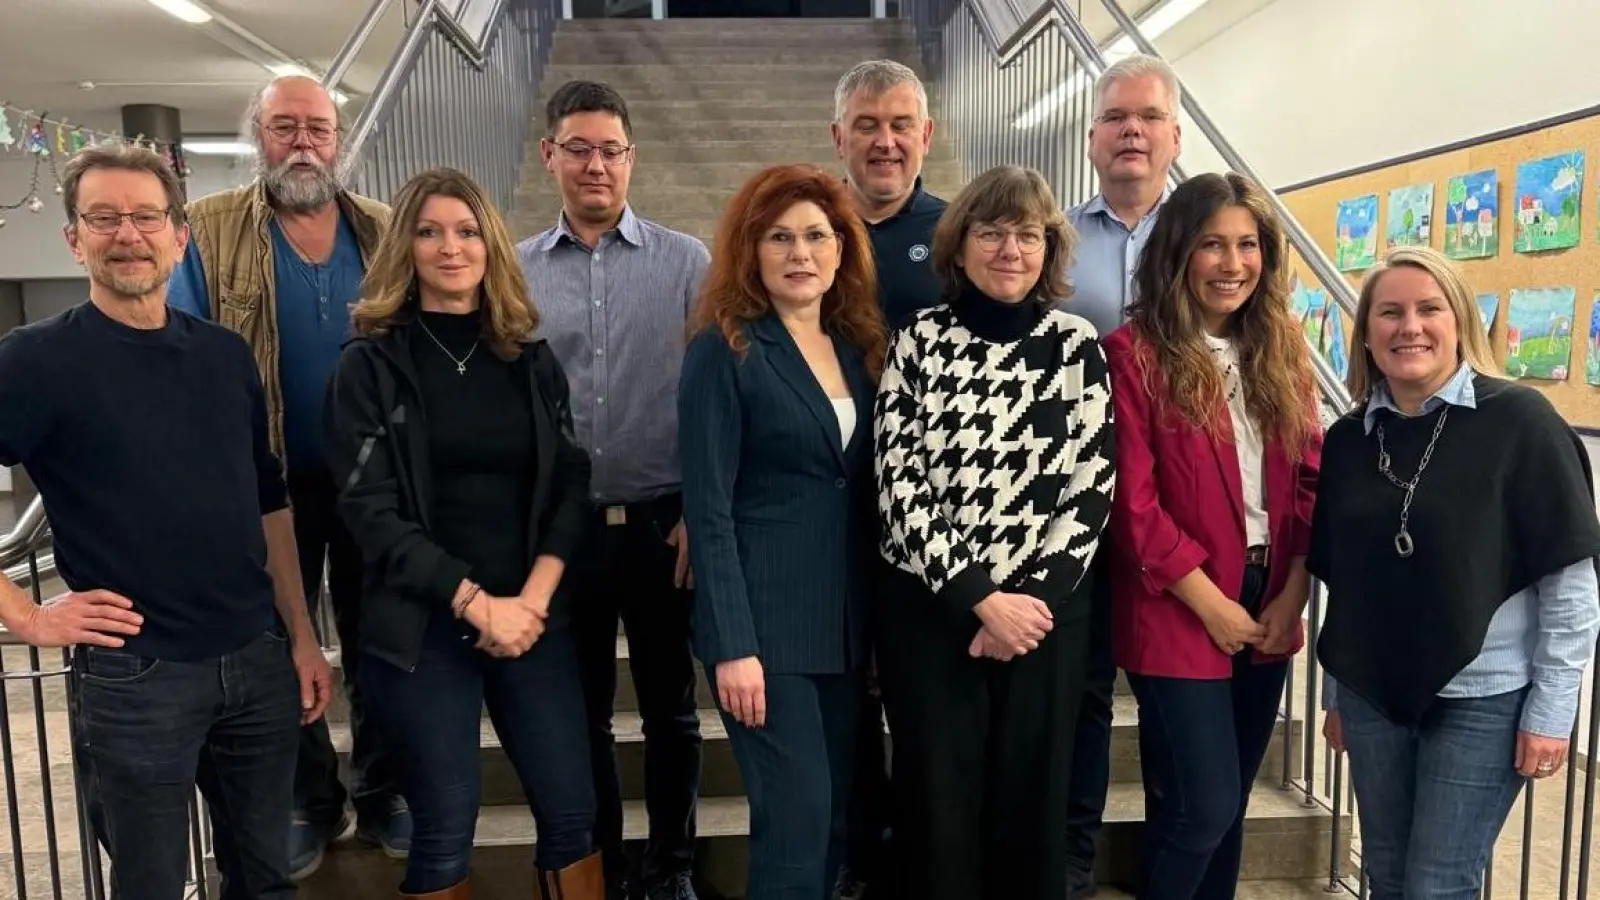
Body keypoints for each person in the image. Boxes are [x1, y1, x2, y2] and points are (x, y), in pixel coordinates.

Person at [0, 143, 332, 899]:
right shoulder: (35, 360)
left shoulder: (222, 355)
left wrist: (303, 636)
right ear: (73, 238)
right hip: (135, 675)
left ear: (180, 237)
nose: (128, 234)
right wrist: (23, 615)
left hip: (255, 659)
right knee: (149, 885)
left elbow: (268, 501)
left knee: (265, 880)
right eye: (105, 217)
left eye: (147, 216)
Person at [322, 167, 601, 899]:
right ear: (404, 248)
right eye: (430, 231)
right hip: (423, 627)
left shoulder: (530, 361)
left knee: (573, 813)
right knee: (445, 822)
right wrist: (478, 604)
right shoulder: (369, 366)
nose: (451, 248)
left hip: (533, 622)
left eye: (468, 231)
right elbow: (370, 514)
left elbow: (573, 484)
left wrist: (532, 602)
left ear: (492, 245)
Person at [165, 73, 409, 876]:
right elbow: (184, 354)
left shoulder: (382, 230)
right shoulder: (206, 229)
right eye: (284, 127)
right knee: (280, 642)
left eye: (318, 128)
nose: (303, 142)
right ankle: (312, 796)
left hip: (374, 477)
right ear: (257, 135)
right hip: (263, 481)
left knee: (382, 637)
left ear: (341, 141)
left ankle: (383, 786)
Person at [1312, 245, 1600, 900]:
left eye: (1427, 309)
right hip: (1371, 697)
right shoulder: (1349, 439)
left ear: (1460, 320)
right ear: (1366, 334)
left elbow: (1569, 582)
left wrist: (1553, 708)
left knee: (1438, 885)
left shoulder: (1521, 422)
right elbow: (1347, 583)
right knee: (1385, 872)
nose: (1408, 327)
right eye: (1389, 312)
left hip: (1486, 697)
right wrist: (1337, 692)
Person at [873, 165, 1114, 900]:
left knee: (1031, 802)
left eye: (1027, 235)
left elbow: (1091, 485)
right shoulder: (917, 341)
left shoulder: (1077, 346)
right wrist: (980, 599)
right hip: (933, 611)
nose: (1010, 249)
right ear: (960, 243)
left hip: (1046, 620)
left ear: (1049, 247)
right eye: (991, 232)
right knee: (936, 805)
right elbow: (898, 482)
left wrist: (1025, 606)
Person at [1101, 173, 1321, 900]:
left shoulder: (1283, 346)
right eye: (1212, 245)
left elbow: (1311, 479)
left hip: (1271, 594)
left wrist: (1292, 590)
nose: (1233, 264)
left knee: (1218, 816)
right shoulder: (1133, 354)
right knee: (1204, 806)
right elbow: (1133, 505)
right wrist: (1210, 603)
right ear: (1177, 254)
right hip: (1178, 601)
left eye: (1247, 245)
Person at [516, 79, 709, 900]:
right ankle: (600, 860)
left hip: (664, 523)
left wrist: (702, 508)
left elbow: (711, 395)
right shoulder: (514, 270)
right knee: (582, 711)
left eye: (612, 150)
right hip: (564, 533)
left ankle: (671, 866)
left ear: (632, 158)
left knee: (670, 711)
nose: (597, 165)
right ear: (549, 156)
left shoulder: (686, 261)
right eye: (579, 148)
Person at [679, 164, 883, 900]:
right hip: (764, 633)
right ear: (752, 250)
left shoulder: (858, 346)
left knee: (831, 823)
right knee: (795, 820)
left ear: (840, 251)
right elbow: (707, 509)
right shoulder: (725, 348)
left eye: (816, 236)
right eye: (780, 237)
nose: (800, 252)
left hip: (843, 628)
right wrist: (733, 645)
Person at [1058, 54, 1182, 897]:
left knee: (1179, 700)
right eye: (1114, 117)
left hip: (1186, 510)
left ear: (1174, 136)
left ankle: (1179, 861)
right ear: (1093, 137)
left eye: (1147, 116)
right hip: (1085, 510)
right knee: (1088, 694)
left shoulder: (1212, 241)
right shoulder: (1055, 244)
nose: (1130, 129)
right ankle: (1073, 861)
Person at [827, 57, 946, 900]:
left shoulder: (956, 236)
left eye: (901, 123)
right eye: (867, 124)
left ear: (926, 136)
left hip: (934, 515)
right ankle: (859, 860)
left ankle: (921, 859)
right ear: (839, 137)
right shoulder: (803, 227)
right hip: (826, 511)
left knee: (921, 697)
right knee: (843, 701)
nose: (885, 140)